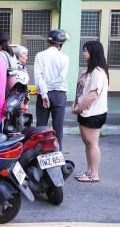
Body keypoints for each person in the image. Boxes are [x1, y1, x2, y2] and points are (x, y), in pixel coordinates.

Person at [71, 41, 109, 183]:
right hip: (86, 112)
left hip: (93, 113)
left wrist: (79, 109)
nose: (83, 53)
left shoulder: (97, 73)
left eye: (85, 50)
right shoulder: (91, 71)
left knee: (92, 143)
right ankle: (89, 171)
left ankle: (94, 174)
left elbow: (92, 95)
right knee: (88, 143)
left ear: (93, 53)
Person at [34, 29, 70, 151]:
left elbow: (38, 77)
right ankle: (58, 154)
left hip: (43, 95)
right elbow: (61, 78)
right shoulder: (64, 58)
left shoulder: (39, 55)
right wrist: (47, 87)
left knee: (41, 127)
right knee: (58, 127)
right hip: (59, 95)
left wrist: (44, 93)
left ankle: (39, 154)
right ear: (60, 44)